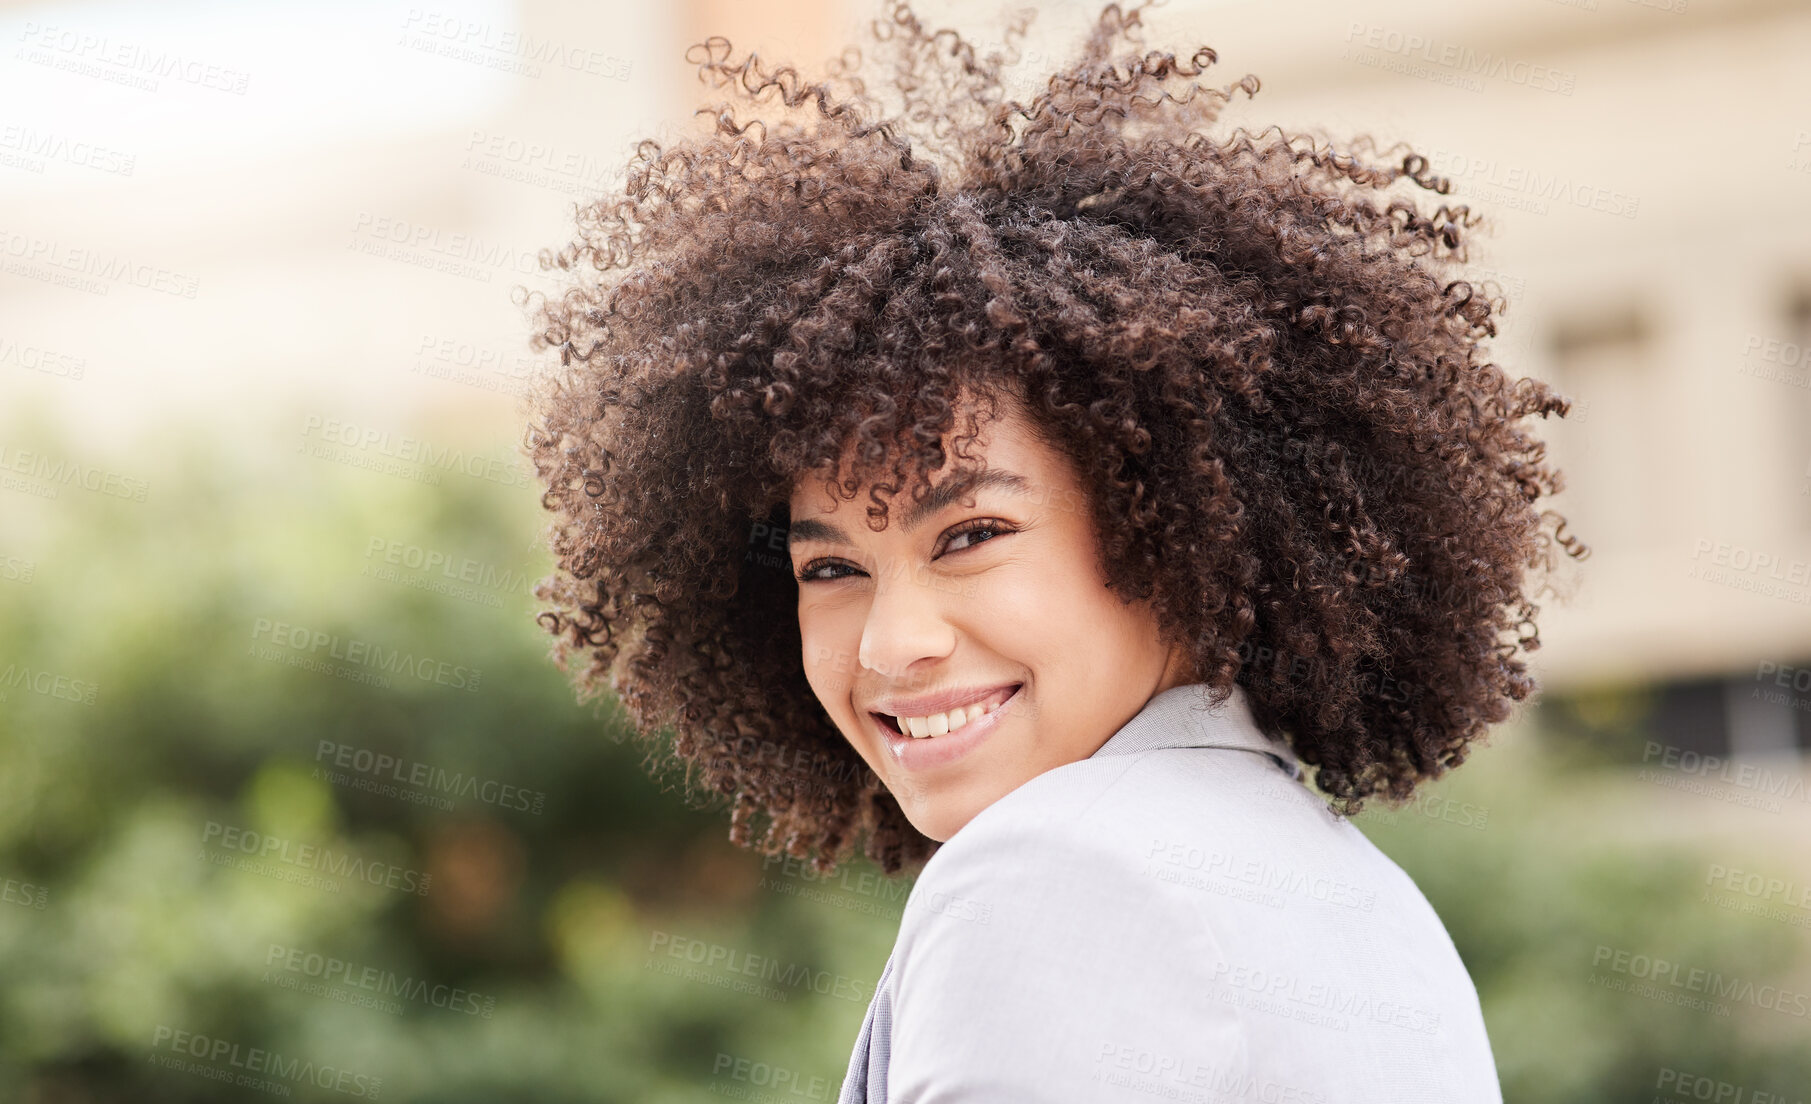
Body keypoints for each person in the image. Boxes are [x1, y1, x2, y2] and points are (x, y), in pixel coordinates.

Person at [518, 2, 1588, 1100]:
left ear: (1180, 520)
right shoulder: (1365, 907)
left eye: (972, 535)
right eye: (829, 567)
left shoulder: (1053, 875)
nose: (892, 646)